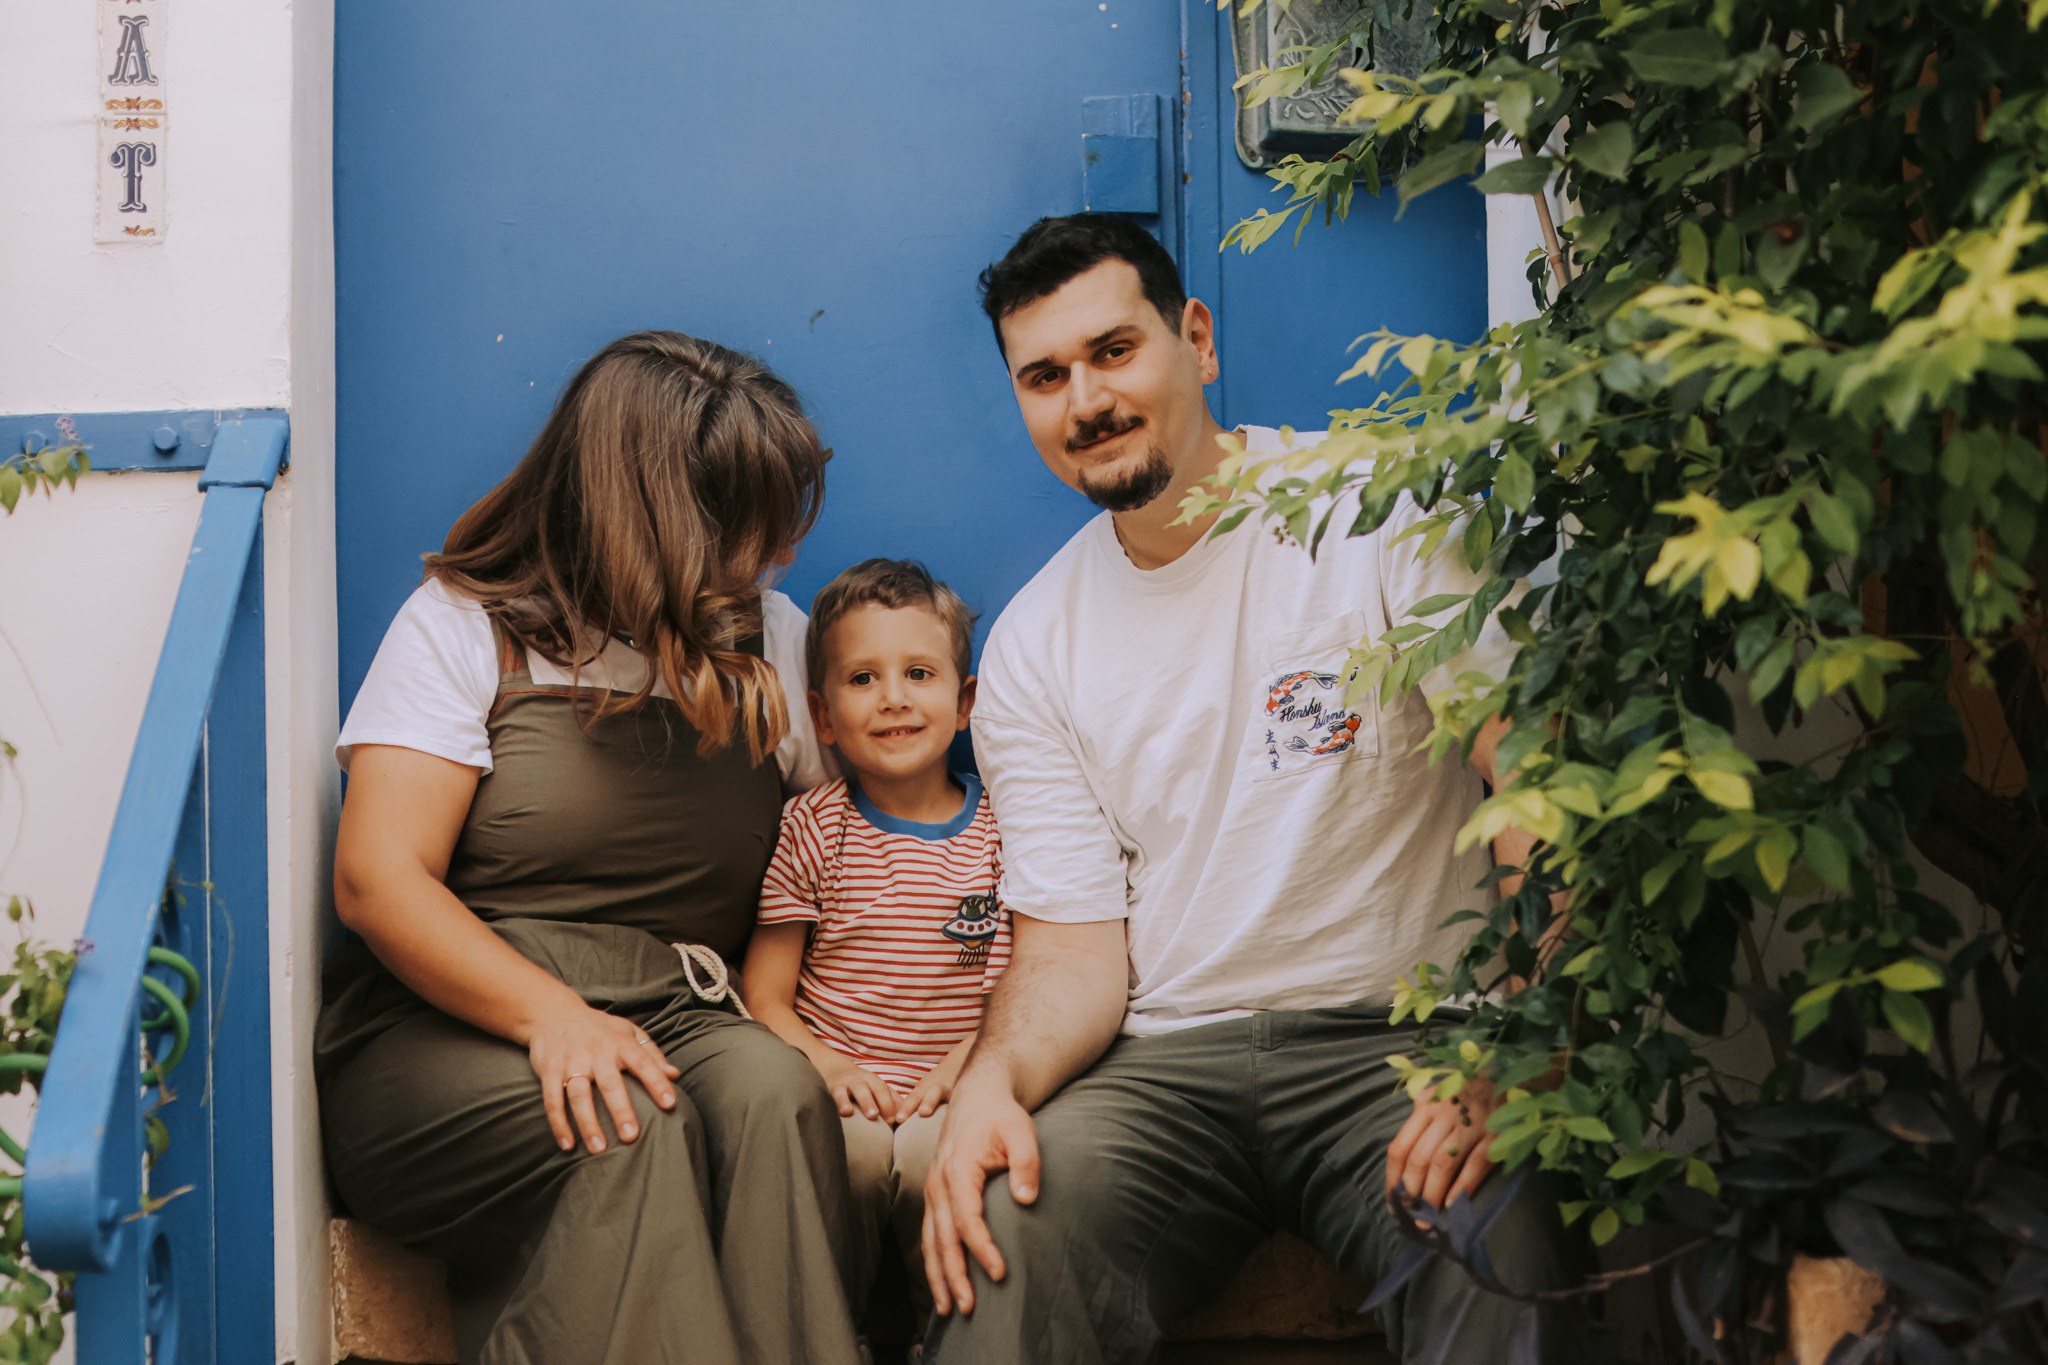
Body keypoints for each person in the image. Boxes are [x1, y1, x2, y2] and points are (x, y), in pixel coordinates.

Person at [918, 217, 1585, 1364]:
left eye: (1112, 351)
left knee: (1497, 1243)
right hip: (1164, 1076)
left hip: (1403, 1045)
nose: (1084, 400)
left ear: (1196, 339)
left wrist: (1514, 1051)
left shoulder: (1382, 514)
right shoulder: (1034, 644)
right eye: (1044, 377)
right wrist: (992, 1084)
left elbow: (1537, 791)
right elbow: (1071, 951)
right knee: (1005, 1249)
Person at [316, 331, 861, 1365]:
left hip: (684, 1006)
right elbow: (377, 883)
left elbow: (848, 854)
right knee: (623, 1119)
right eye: (749, 528)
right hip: (451, 1033)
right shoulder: (461, 628)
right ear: (653, 518)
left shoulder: (772, 642)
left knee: (772, 1099)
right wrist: (552, 1019)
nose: (780, 556)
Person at [741, 559, 1007, 1339]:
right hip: (843, 1085)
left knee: (936, 1164)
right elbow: (765, 995)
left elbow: (1026, 981)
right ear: (822, 717)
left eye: (918, 673)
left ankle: (953, 1340)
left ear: (963, 704)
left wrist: (972, 1062)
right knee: (846, 1162)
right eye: (863, 679)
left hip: (957, 1085)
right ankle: (831, 1333)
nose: (893, 697)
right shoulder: (813, 828)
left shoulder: (1004, 833)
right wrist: (827, 1066)